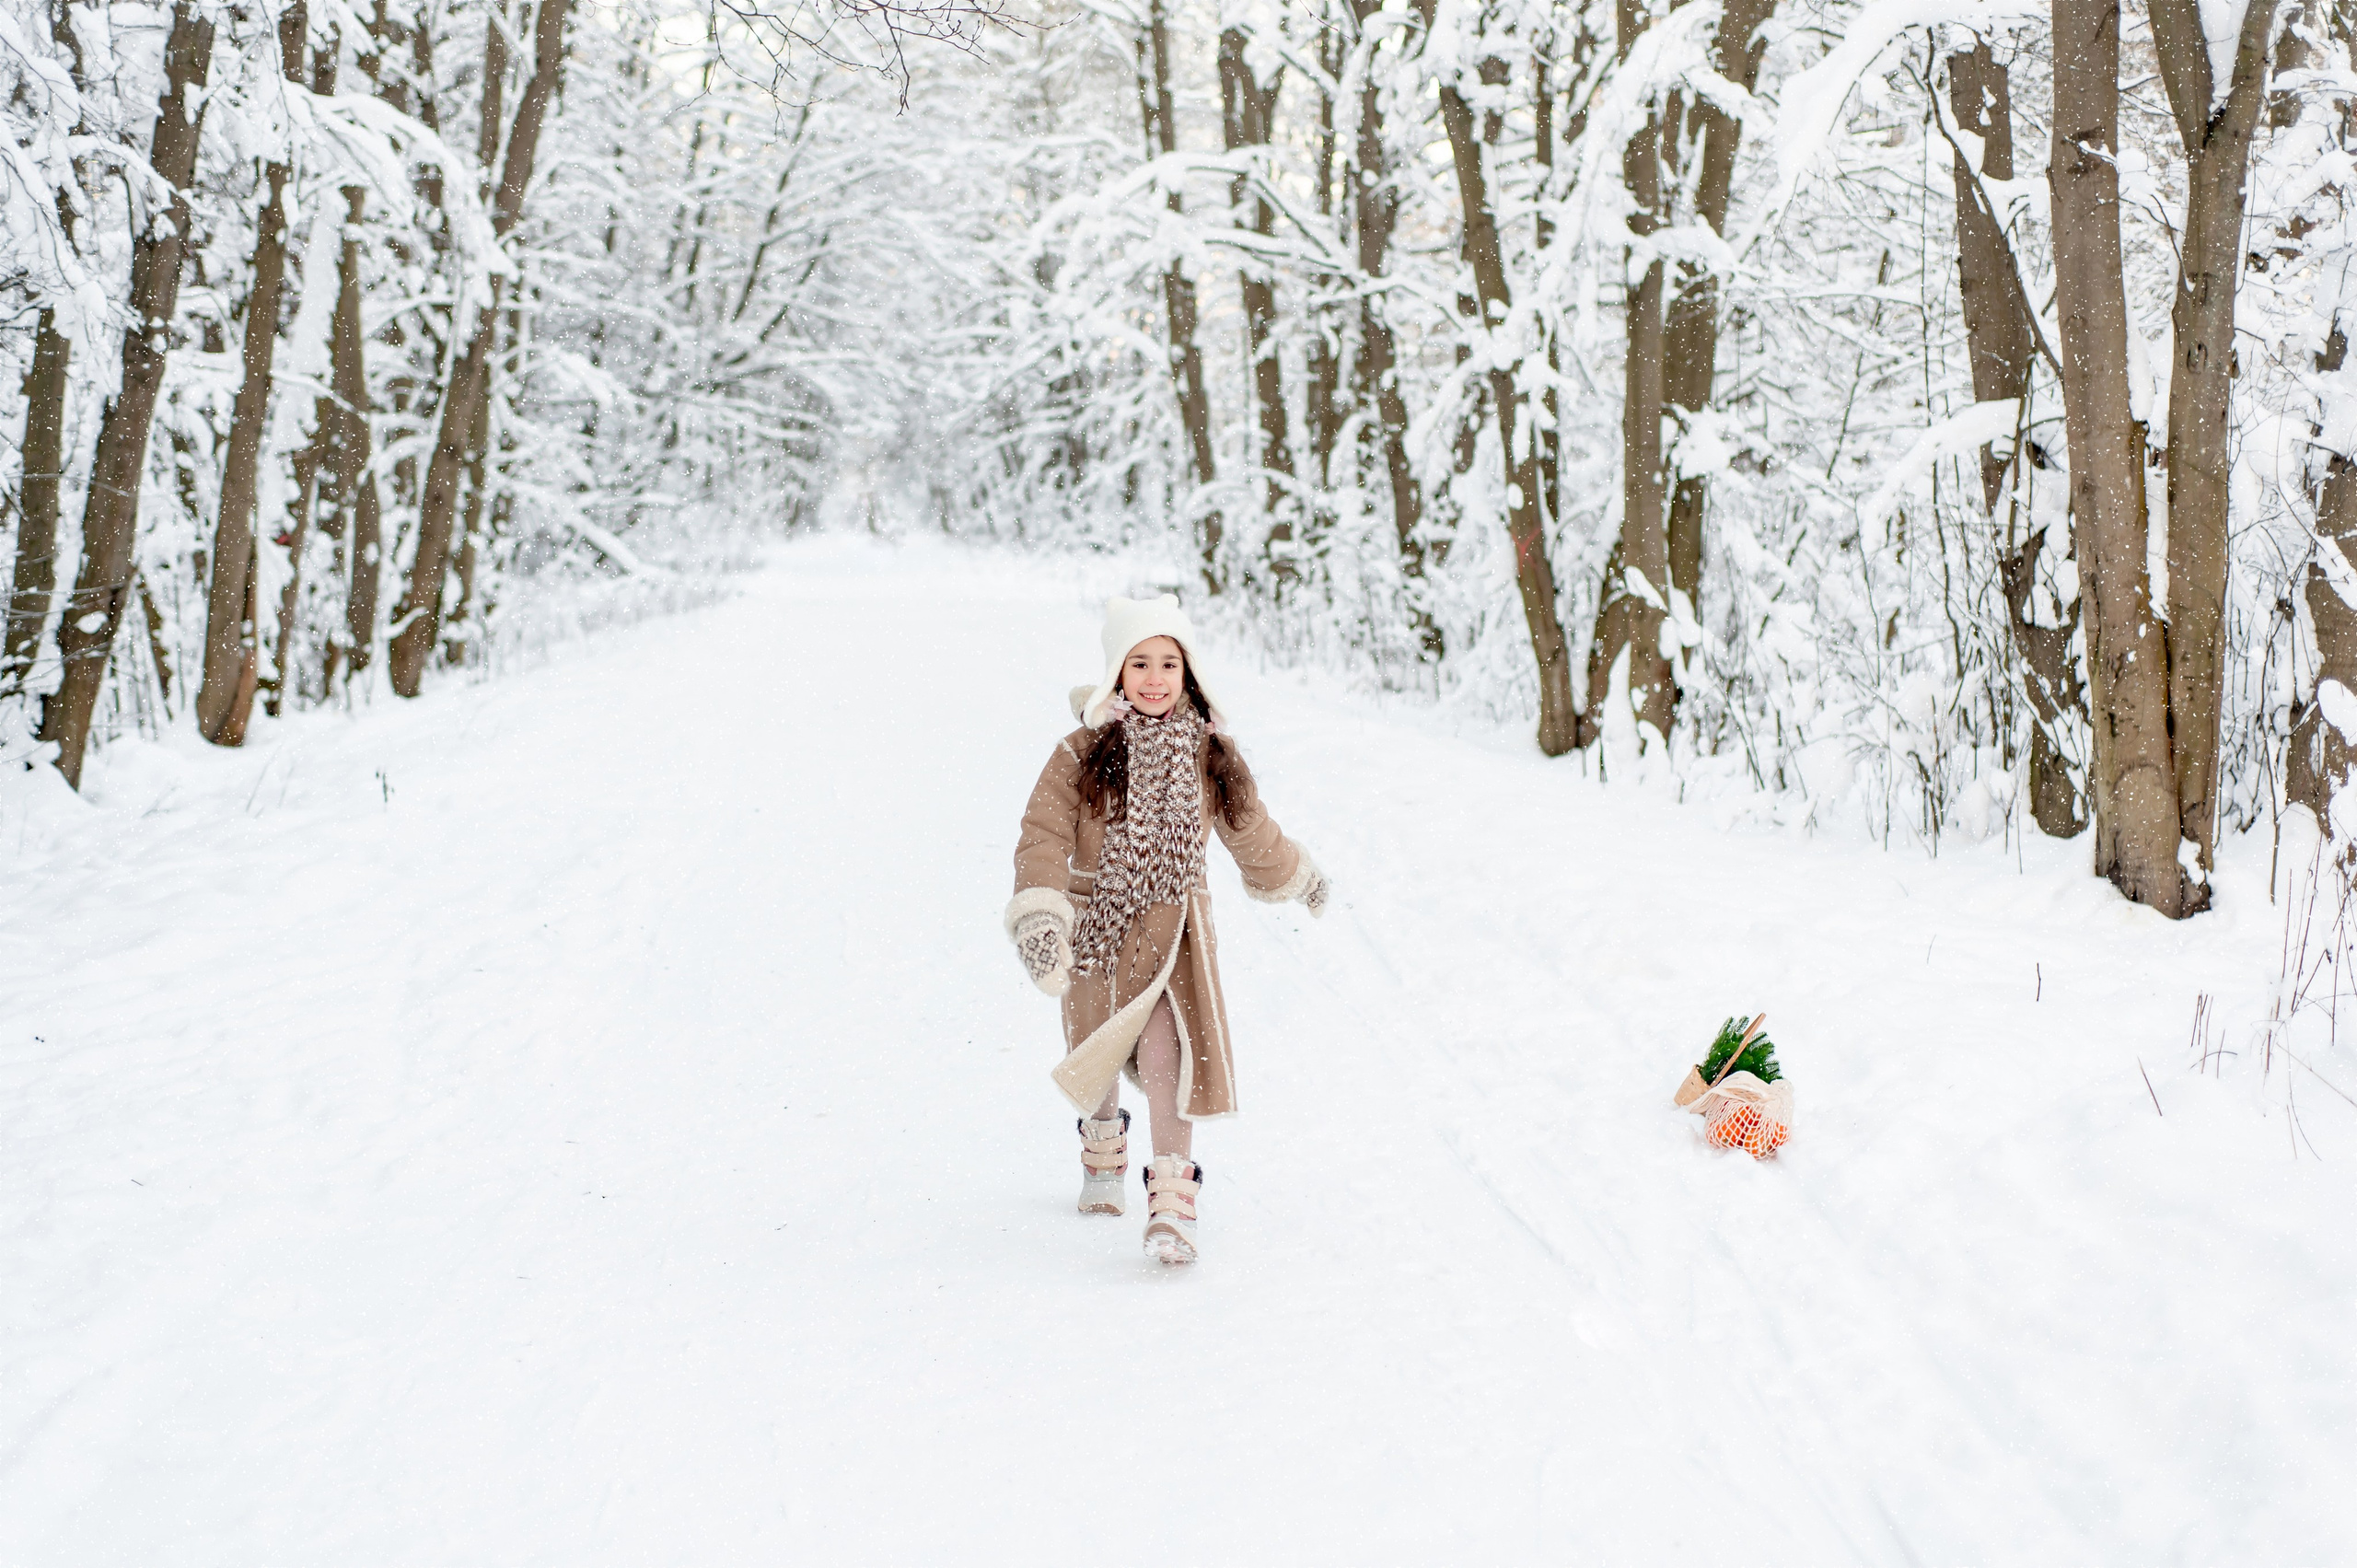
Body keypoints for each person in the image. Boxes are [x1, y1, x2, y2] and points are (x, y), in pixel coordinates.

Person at [1004, 596, 1329, 1265]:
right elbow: (1042, 835)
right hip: (1097, 932)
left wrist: (1299, 876)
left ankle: (1173, 1201)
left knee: (1167, 1053)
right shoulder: (1081, 753)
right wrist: (1041, 914)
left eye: (1168, 664)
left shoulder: (1212, 757)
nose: (1155, 678)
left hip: (1172, 938)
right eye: (1139, 663)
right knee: (1095, 1054)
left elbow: (1253, 836)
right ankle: (1103, 1147)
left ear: (1189, 673)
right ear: (1117, 674)